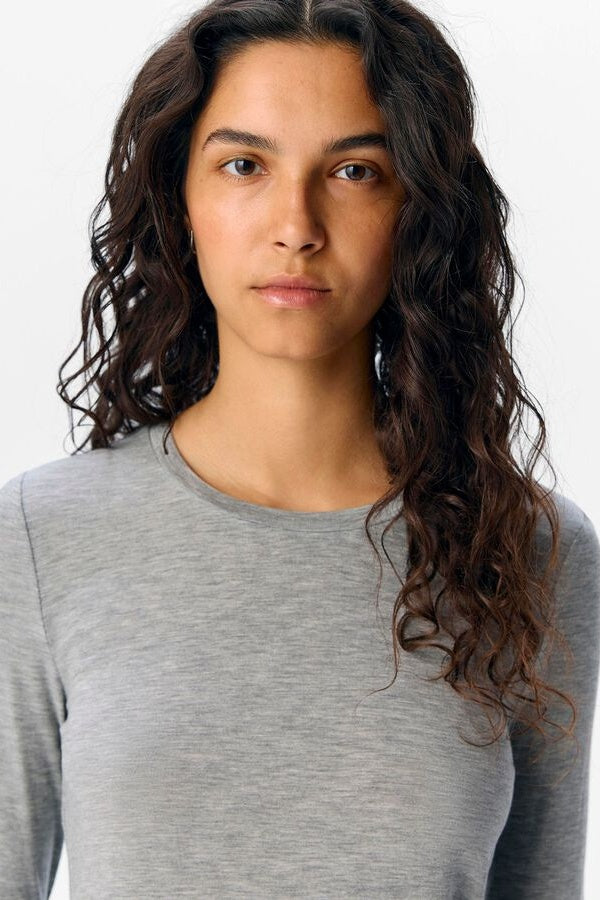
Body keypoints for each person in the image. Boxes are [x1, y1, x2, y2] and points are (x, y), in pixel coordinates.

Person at [1, 1, 598, 898]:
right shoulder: (41, 537)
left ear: (419, 209)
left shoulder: (535, 551)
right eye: (244, 164)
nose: (296, 224)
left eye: (355, 170)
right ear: (182, 198)